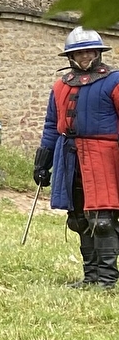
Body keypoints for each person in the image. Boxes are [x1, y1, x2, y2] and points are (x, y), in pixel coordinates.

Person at [34, 27, 119, 289]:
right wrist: (42, 162)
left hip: (104, 157)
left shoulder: (114, 82)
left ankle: (107, 279)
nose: (85, 57)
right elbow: (51, 125)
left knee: (102, 220)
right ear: (71, 57)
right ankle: (90, 276)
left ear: (98, 53)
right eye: (79, 53)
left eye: (89, 51)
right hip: (69, 157)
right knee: (78, 218)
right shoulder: (61, 86)